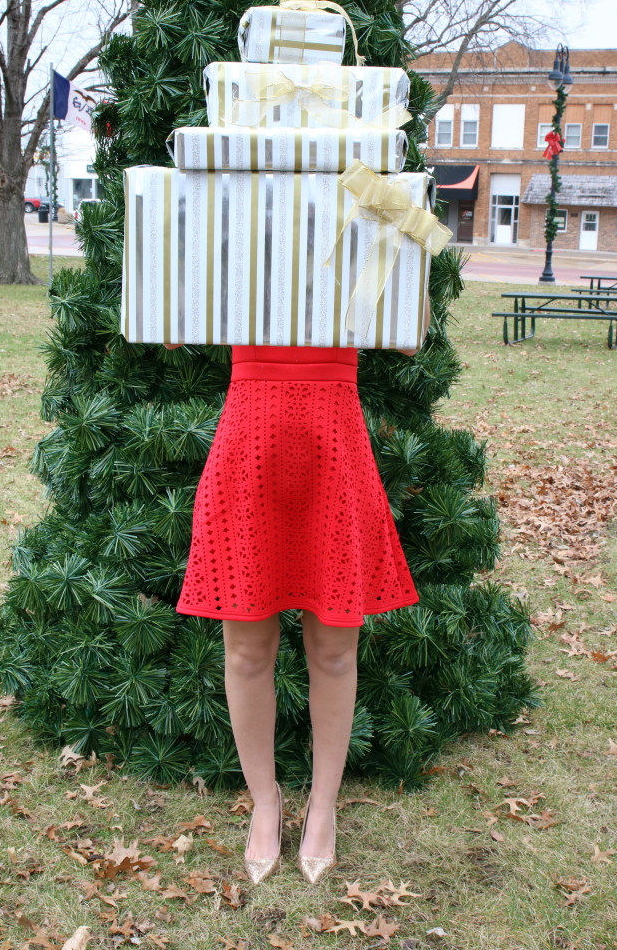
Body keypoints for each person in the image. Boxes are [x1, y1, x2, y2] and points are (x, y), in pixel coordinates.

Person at [164, 292, 430, 885]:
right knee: (245, 650)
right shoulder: (236, 204)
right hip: (249, 443)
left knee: (334, 652)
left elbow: (410, 333)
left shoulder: (361, 205)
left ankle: (324, 807)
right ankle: (266, 800)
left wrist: (405, 224)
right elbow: (171, 328)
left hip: (333, 449)